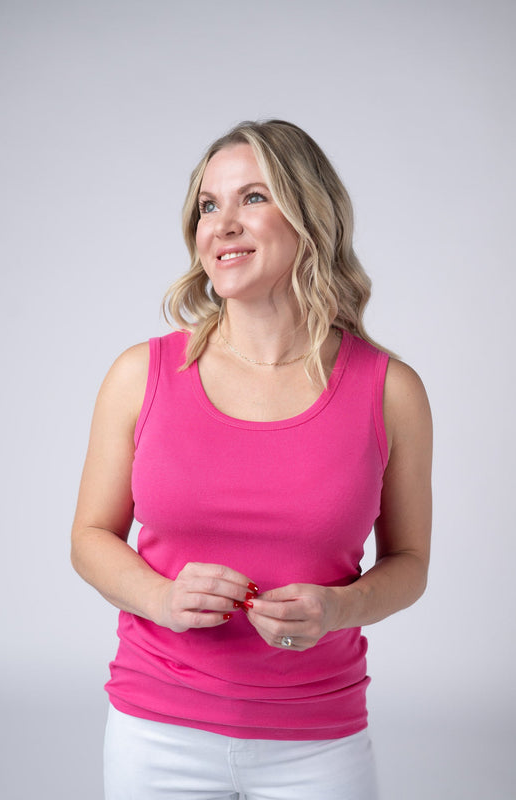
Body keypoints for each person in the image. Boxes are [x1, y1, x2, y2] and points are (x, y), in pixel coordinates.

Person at [71, 119, 432, 800]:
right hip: (157, 732)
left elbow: (409, 563)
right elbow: (89, 537)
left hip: (318, 741)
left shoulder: (390, 391)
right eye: (209, 205)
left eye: (253, 198)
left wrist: (338, 608)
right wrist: (161, 598)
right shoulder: (140, 374)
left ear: (310, 217)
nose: (223, 224)